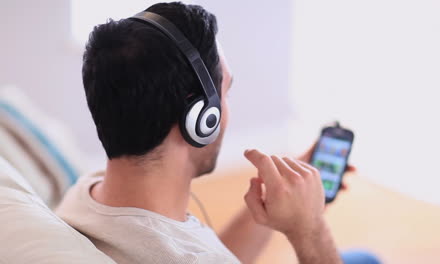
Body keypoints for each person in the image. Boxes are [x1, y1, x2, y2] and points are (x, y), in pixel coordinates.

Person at [56, 2, 380, 264]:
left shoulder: (87, 192)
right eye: (225, 93)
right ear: (201, 118)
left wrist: (273, 201)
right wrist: (308, 229)